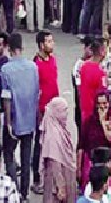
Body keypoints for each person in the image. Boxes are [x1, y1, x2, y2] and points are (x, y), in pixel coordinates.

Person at [0, 32, 40, 196]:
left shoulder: (6, 69)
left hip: (14, 119)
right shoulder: (33, 67)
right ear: (22, 48)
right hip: (29, 119)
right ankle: (24, 193)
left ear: (8, 48)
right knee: (25, 158)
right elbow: (36, 93)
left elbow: (7, 97)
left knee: (9, 154)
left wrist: (8, 122)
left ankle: (13, 189)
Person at [34, 30, 61, 194]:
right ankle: (37, 179)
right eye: (49, 41)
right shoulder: (36, 64)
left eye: (52, 41)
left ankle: (52, 179)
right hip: (42, 112)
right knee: (39, 146)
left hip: (55, 111)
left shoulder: (53, 60)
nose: (52, 44)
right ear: (41, 45)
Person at [40, 97, 79, 203]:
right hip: (58, 182)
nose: (66, 114)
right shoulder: (53, 136)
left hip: (65, 176)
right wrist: (61, 187)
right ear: (56, 112)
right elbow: (55, 164)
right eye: (64, 110)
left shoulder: (59, 128)